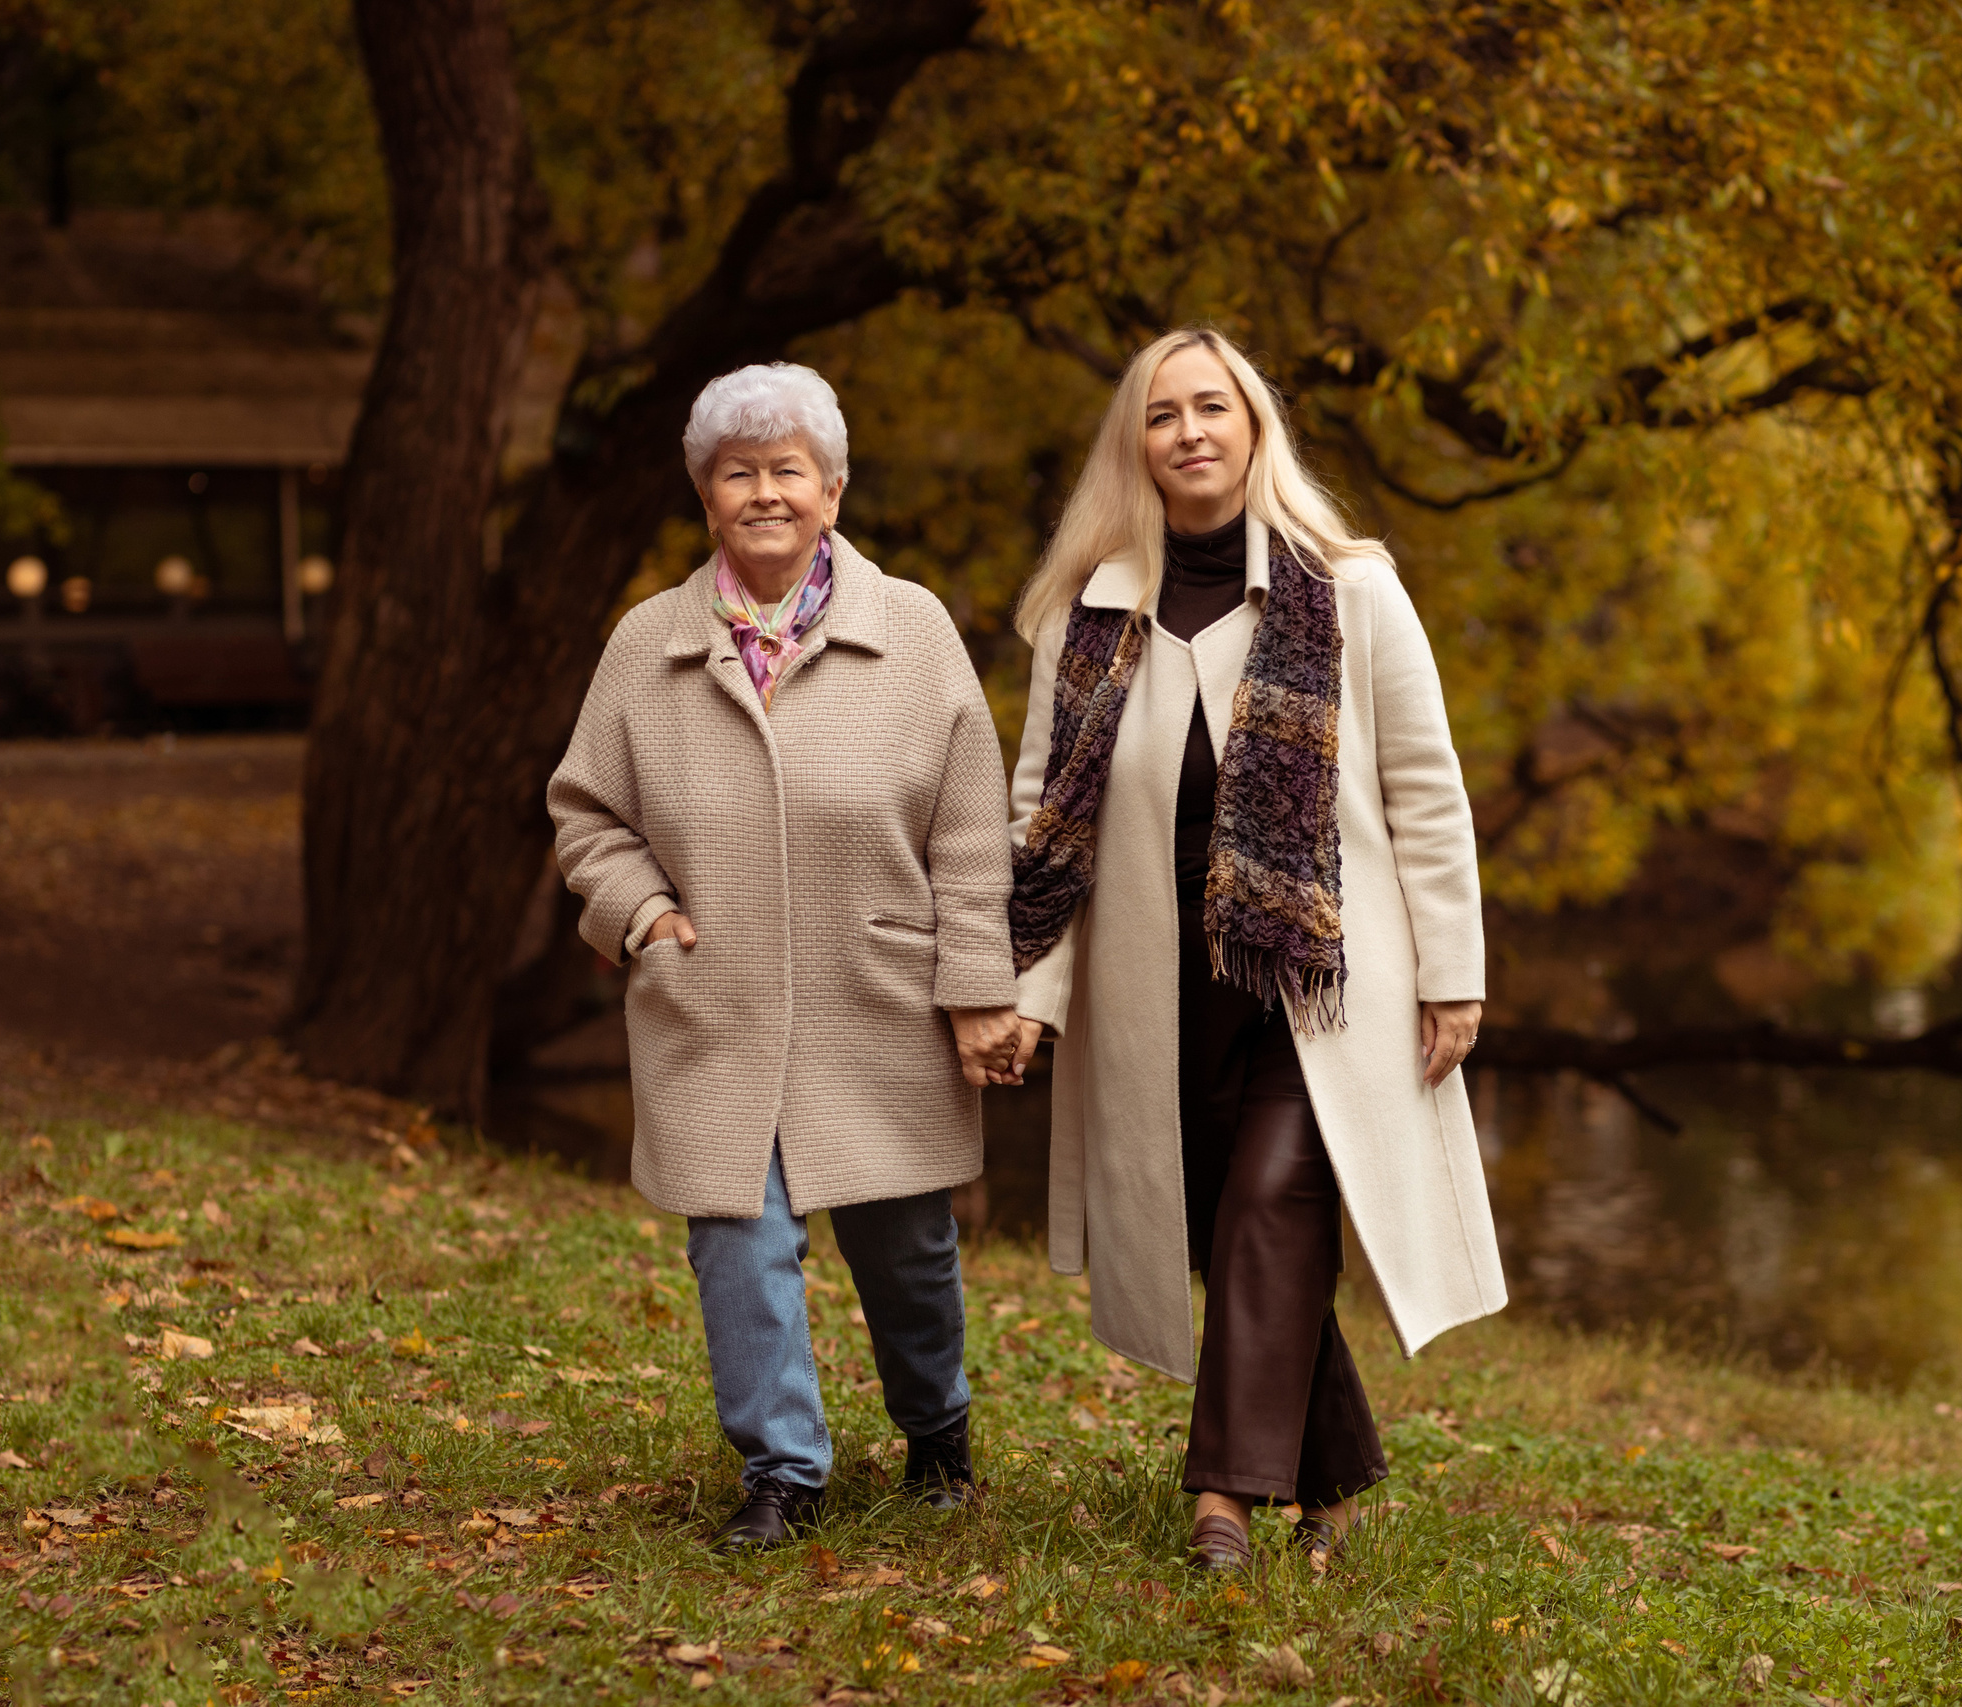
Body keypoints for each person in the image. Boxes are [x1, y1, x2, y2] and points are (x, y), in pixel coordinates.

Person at [1002, 328, 1507, 1571]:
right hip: (1157, 989)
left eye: (1211, 406)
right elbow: (1045, 822)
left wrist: (1453, 973)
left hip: (1317, 977)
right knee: (1228, 1228)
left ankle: (1222, 1501)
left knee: (1274, 1194)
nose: (1190, 432)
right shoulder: (1087, 616)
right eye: (1162, 414)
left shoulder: (1350, 591)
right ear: (1137, 446)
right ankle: (1332, 1470)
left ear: (1253, 426)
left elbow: (1426, 790)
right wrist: (1027, 990)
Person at [549, 362, 1026, 1549]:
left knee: (905, 1248)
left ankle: (937, 1433)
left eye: (787, 470)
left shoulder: (912, 629)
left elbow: (972, 831)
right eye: (736, 473)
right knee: (736, 1237)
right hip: (713, 1006)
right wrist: (641, 913)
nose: (764, 493)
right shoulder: (647, 643)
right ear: (705, 495)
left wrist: (978, 990)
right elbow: (586, 817)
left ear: (833, 491)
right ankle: (783, 1471)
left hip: (881, 998)